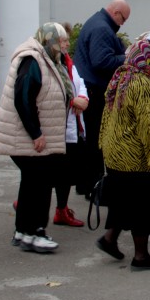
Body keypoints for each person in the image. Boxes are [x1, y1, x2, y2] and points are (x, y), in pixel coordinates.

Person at [0, 23, 71, 254]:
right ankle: (35, 232)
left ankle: (23, 231)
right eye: (62, 40)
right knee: (40, 183)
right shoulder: (33, 60)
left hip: (32, 137)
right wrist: (36, 133)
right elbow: (23, 98)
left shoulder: (44, 58)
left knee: (32, 183)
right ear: (50, 40)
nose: (65, 45)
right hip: (31, 137)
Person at [95, 40, 150, 270]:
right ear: (145, 59)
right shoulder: (142, 86)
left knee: (123, 202)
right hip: (136, 158)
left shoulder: (119, 79)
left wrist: (103, 149)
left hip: (116, 156)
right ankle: (141, 257)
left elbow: (106, 119)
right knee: (141, 207)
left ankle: (109, 239)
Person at [72, 0, 130, 196]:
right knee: (96, 140)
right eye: (123, 19)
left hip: (90, 89)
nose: (122, 24)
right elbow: (101, 61)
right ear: (115, 12)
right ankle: (92, 186)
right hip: (95, 91)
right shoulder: (102, 28)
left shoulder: (97, 22)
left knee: (91, 140)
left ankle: (85, 184)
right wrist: (127, 57)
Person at [54, 23, 88, 227]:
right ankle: (25, 203)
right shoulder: (49, 63)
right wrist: (72, 101)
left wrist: (83, 97)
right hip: (59, 127)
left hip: (73, 124)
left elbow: (79, 81)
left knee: (65, 173)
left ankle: (62, 209)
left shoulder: (67, 61)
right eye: (65, 40)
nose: (68, 43)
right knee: (55, 172)